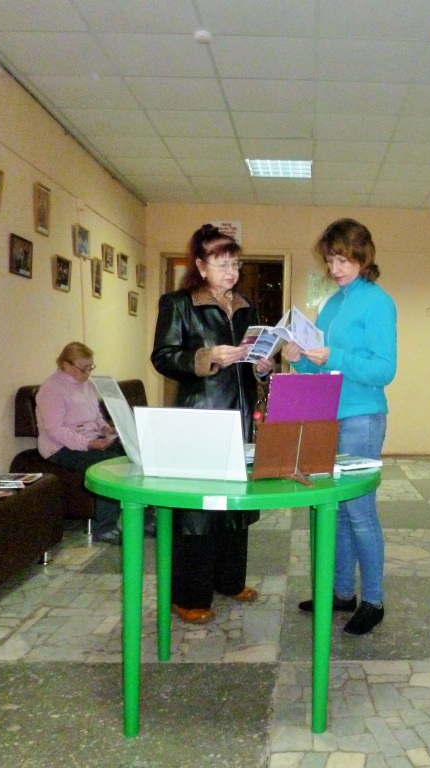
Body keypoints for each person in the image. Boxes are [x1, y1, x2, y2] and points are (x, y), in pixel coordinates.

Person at [151, 224, 274, 624]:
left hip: (240, 416)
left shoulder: (247, 307)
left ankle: (229, 580)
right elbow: (163, 357)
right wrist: (208, 357)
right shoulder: (179, 304)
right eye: (222, 264)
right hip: (200, 416)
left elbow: (254, 363)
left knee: (234, 504)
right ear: (201, 266)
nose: (231, 271)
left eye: (235, 263)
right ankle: (188, 595)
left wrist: (263, 366)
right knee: (199, 510)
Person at [283, 219, 397, 636]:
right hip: (327, 415)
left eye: (343, 260)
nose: (335, 269)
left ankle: (374, 601)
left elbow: (384, 370)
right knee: (337, 509)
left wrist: (334, 356)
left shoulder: (378, 302)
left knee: (360, 511)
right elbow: (320, 372)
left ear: (362, 257)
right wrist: (298, 358)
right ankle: (342, 593)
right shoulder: (331, 305)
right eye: (330, 261)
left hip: (362, 416)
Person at [36, 342, 125, 544]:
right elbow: (55, 430)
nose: (87, 373)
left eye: (90, 367)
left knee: (133, 453)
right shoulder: (51, 389)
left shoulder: (87, 384)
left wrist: (106, 429)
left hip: (92, 438)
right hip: (61, 448)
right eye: (83, 368)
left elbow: (96, 415)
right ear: (66, 365)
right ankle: (105, 528)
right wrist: (89, 444)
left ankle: (146, 518)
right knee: (109, 466)